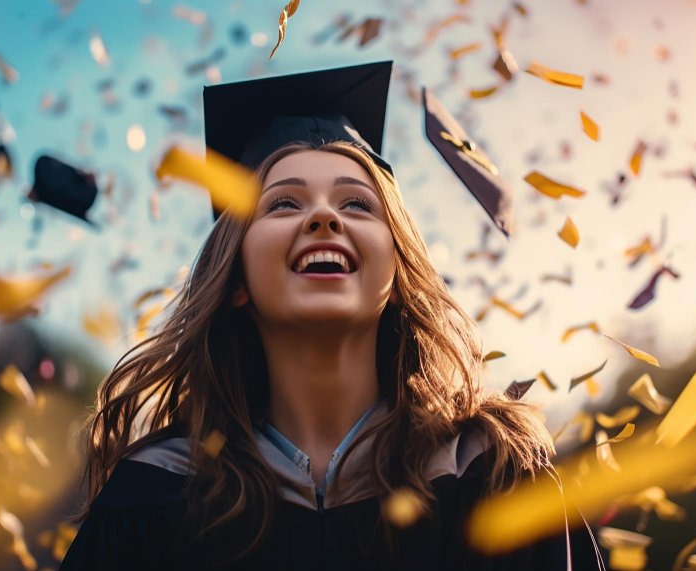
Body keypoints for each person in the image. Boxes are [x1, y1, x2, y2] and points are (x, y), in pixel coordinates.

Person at [59, 61, 605, 570]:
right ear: (235, 281)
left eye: (357, 204)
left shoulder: (490, 473)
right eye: (283, 203)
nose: (323, 215)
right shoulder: (155, 492)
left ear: (397, 269)